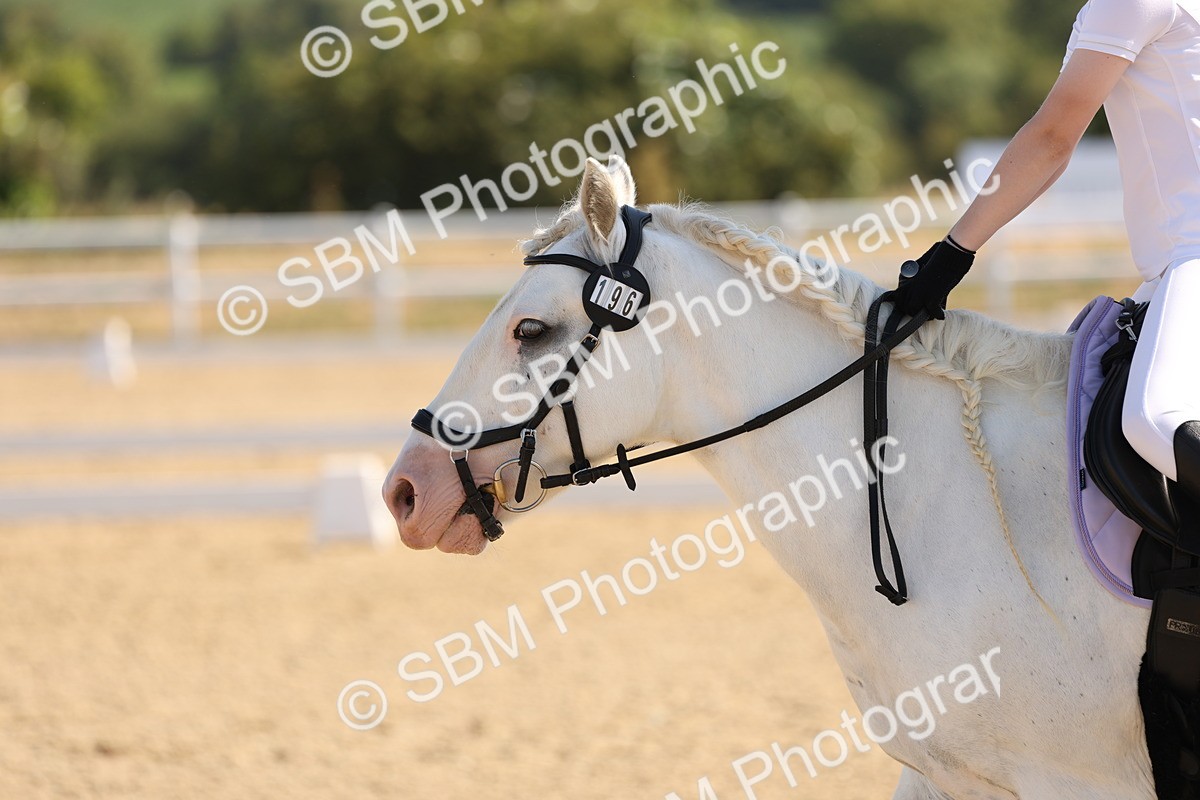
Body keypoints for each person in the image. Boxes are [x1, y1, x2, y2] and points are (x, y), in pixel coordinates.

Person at [892, 0, 1200, 512]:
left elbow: (1053, 139)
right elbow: (1055, 148)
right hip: (1177, 267)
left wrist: (951, 256)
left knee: (1152, 419)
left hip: (1193, 258)